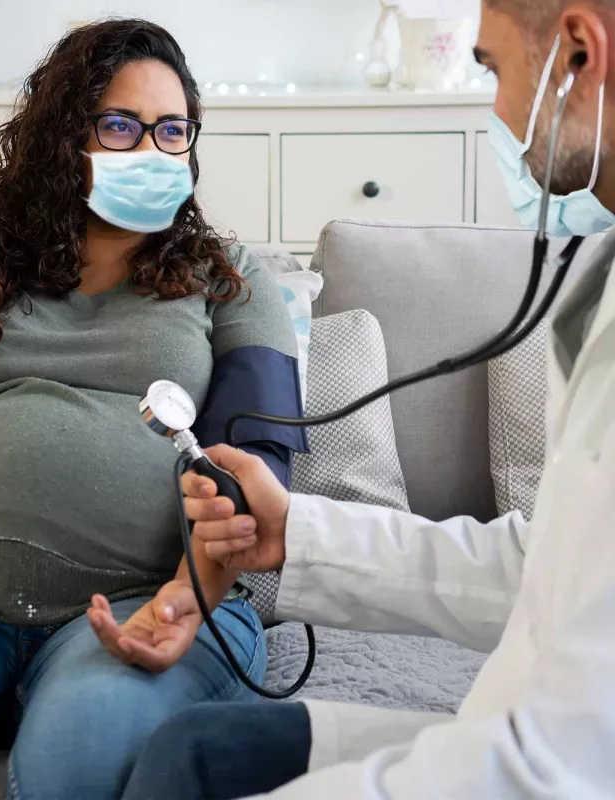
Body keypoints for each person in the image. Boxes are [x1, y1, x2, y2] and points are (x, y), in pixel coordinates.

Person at [121, 2, 615, 798]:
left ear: (579, 55)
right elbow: (544, 566)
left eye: (490, 66)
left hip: (560, 763)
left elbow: (557, 767)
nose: (495, 107)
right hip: (530, 726)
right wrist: (300, 533)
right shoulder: (600, 282)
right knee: (196, 754)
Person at [0, 19, 306, 800]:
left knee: (78, 763)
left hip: (151, 598)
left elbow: (255, 470)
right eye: (118, 125)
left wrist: (188, 595)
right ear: (59, 138)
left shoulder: (231, 279)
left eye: (171, 129)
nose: (150, 149)